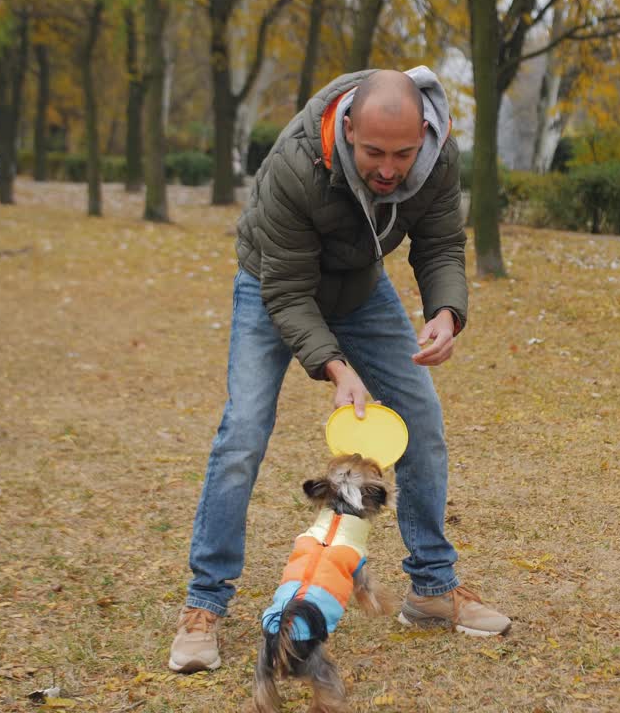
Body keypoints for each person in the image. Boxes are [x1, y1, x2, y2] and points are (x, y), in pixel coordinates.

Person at [168, 67, 511, 674]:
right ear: (347, 128)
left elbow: (439, 243)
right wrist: (335, 367)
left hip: (360, 291)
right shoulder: (297, 164)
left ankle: (432, 589)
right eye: (374, 151)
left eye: (402, 153)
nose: (388, 167)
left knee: (421, 421)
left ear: (424, 133)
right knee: (244, 431)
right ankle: (204, 606)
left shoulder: (436, 156)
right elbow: (290, 291)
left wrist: (446, 313)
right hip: (274, 284)